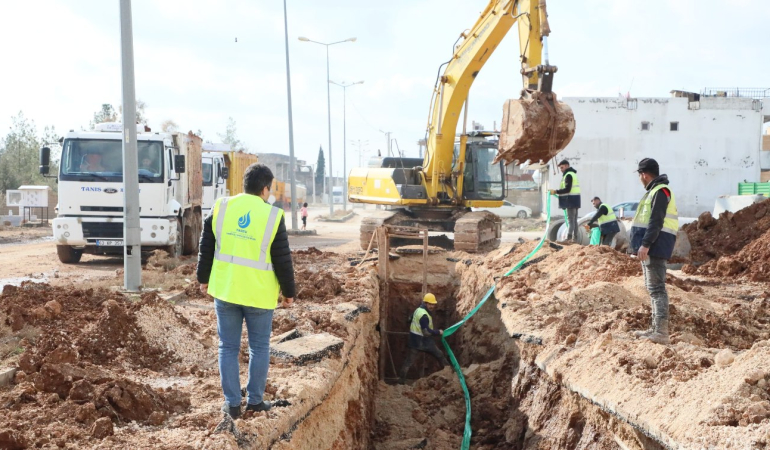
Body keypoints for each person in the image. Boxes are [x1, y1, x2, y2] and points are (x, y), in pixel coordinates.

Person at [196, 163, 296, 419]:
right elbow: (283, 259)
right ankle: (254, 401)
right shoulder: (272, 215)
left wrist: (203, 278)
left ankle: (232, 404)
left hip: (226, 290)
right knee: (259, 348)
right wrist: (288, 293)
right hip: (258, 295)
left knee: (227, 347)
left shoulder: (222, 206)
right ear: (265, 189)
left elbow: (206, 245)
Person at [630, 158, 678, 345]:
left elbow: (656, 221)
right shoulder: (656, 191)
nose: (640, 179)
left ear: (644, 174)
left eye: (640, 176)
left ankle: (661, 332)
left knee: (657, 289)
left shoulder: (660, 191)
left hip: (656, 246)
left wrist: (646, 244)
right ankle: (655, 328)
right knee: (653, 288)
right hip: (654, 245)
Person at [398, 293, 449, 384]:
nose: (432, 306)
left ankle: (401, 381)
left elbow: (409, 319)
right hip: (424, 341)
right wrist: (438, 332)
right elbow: (426, 332)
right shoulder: (424, 316)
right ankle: (450, 374)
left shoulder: (418, 310)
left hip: (414, 340)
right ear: (425, 303)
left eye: (433, 304)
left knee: (408, 361)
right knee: (440, 355)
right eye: (430, 304)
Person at [549, 159, 581, 244]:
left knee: (571, 220)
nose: (561, 170)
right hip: (575, 200)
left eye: (562, 167)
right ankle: (575, 239)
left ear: (567, 166)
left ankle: (569, 238)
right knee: (574, 220)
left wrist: (556, 191)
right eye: (560, 168)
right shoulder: (573, 174)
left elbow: (567, 189)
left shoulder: (568, 175)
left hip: (570, 200)